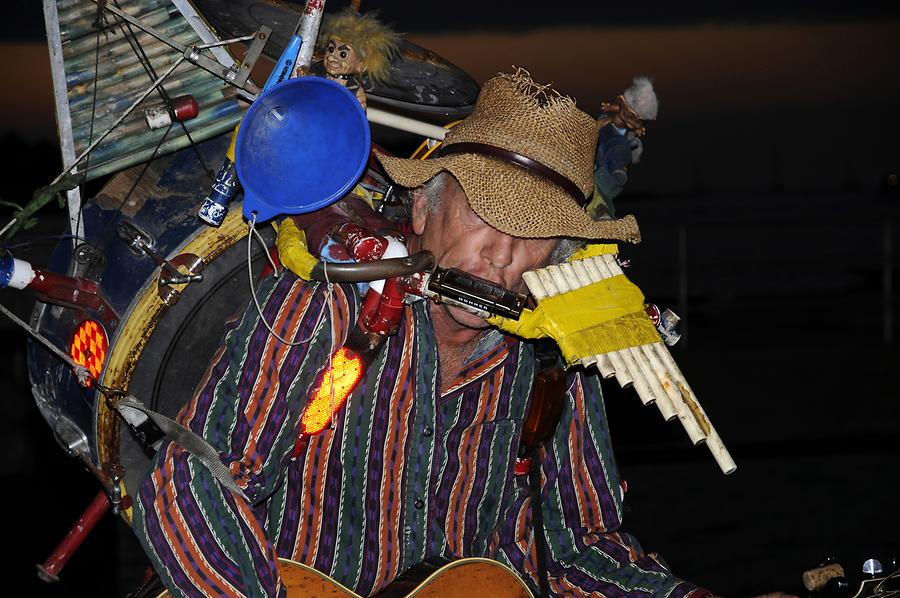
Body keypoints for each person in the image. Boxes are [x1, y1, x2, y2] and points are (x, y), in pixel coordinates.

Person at [132, 68, 712, 597]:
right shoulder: (333, 309)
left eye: (533, 234)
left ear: (558, 256)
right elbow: (191, 481)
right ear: (421, 209)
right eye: (482, 213)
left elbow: (578, 549)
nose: (501, 256)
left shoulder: (552, 364)